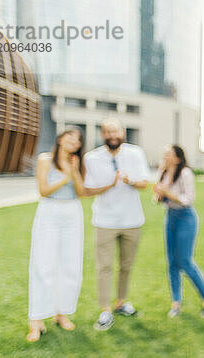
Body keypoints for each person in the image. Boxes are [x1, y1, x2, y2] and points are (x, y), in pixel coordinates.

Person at [83, 118, 150, 331]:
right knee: (104, 267)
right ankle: (105, 310)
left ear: (123, 132)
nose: (112, 135)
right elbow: (87, 190)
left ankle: (121, 302)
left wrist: (129, 181)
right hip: (105, 221)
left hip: (132, 221)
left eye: (115, 131)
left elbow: (144, 184)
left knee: (126, 266)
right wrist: (110, 184)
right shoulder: (91, 158)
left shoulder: (135, 153)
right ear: (102, 134)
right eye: (107, 132)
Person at [27, 128, 91, 342]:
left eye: (78, 139)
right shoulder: (45, 159)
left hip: (72, 213)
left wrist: (75, 173)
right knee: (43, 264)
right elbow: (43, 190)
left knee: (70, 264)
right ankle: (36, 320)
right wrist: (66, 178)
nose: (74, 141)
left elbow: (81, 192)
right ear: (61, 138)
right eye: (70, 136)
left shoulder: (77, 163)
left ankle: (61, 313)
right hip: (50, 211)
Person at [153, 145, 204, 317]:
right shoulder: (163, 172)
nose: (165, 156)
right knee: (172, 262)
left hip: (186, 218)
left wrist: (168, 193)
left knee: (185, 261)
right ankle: (176, 303)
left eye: (168, 154)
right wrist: (160, 192)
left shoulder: (185, 173)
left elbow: (188, 199)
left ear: (178, 158)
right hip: (170, 216)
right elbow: (157, 198)